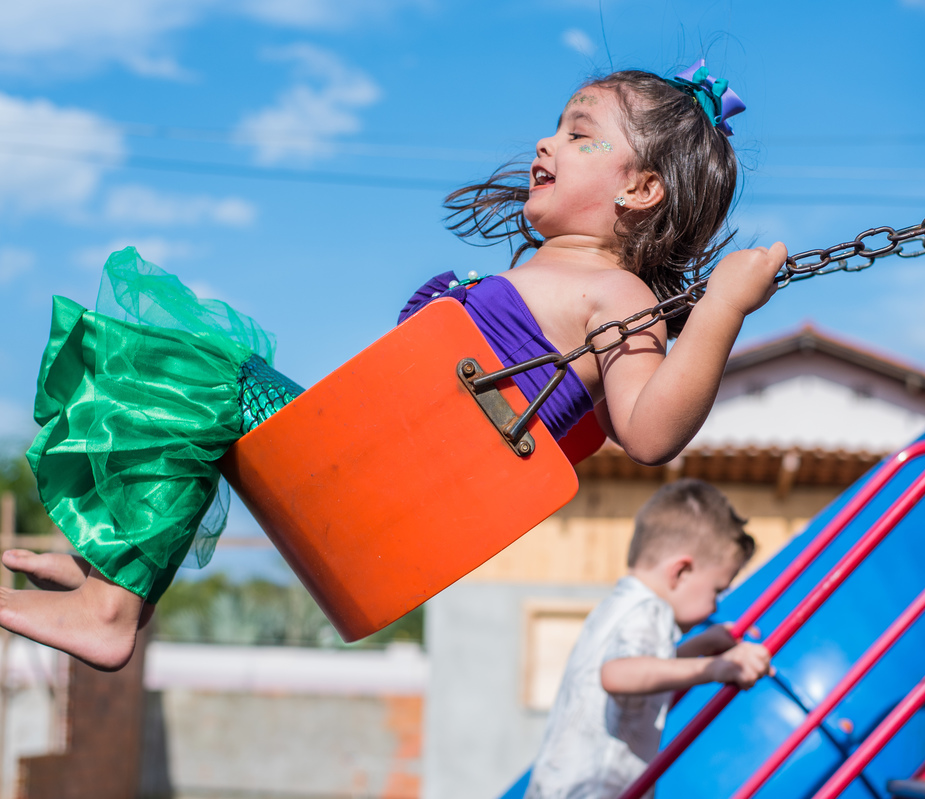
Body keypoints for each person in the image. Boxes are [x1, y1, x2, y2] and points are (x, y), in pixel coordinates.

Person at [0, 60, 787, 671]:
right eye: (556, 126)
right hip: (368, 460)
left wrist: (720, 307)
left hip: (390, 486)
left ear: (642, 189)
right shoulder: (549, 276)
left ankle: (111, 603)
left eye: (582, 135)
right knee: (188, 376)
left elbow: (649, 431)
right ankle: (121, 570)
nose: (547, 142)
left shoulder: (614, 294)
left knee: (198, 361)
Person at [526, 479, 772, 799]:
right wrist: (714, 668)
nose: (716, 605)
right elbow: (617, 674)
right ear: (680, 572)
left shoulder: (624, 604)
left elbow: (644, 669)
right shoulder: (649, 610)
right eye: (717, 590)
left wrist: (698, 647)